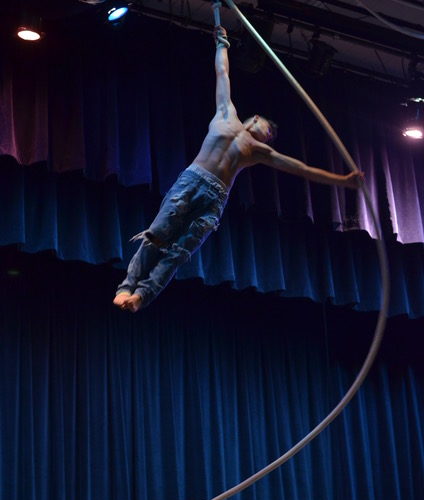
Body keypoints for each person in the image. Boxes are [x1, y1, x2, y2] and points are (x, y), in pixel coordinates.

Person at [113, 27, 363, 313]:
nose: (267, 136)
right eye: (267, 130)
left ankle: (141, 296)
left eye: (269, 136)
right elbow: (222, 74)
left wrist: (344, 181)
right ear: (255, 119)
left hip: (215, 199)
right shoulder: (225, 114)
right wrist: (223, 44)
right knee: (157, 235)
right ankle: (126, 286)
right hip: (193, 180)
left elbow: (302, 169)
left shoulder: (260, 152)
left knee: (180, 251)